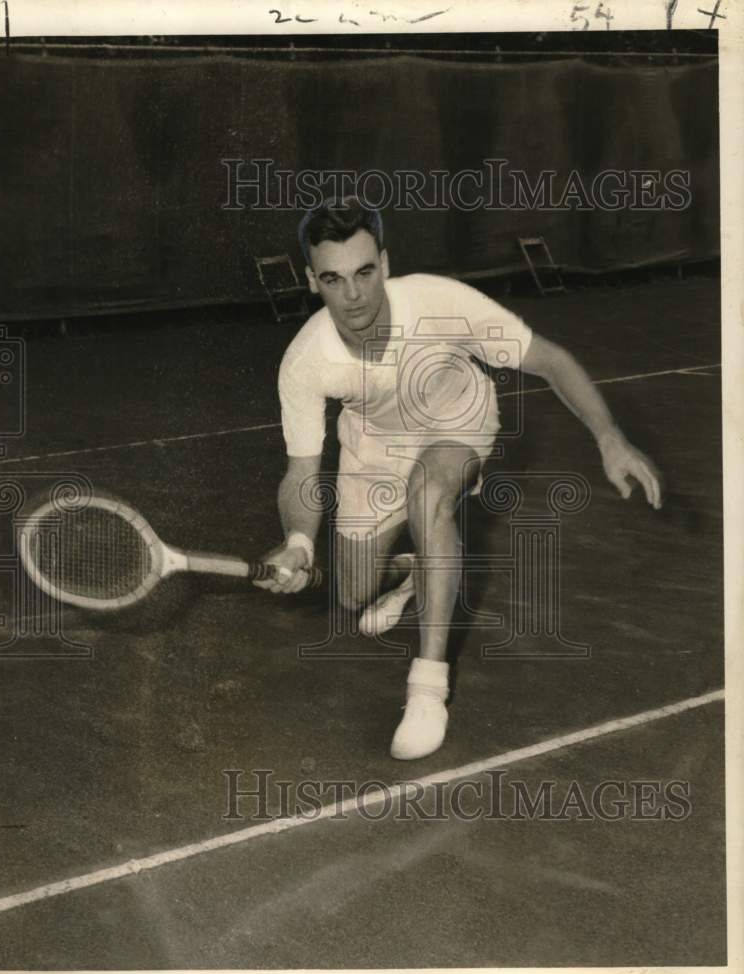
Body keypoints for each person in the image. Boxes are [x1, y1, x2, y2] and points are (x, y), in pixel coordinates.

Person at [255, 197, 662, 760]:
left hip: (457, 420)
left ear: (386, 264)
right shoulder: (306, 360)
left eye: (365, 272)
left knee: (430, 494)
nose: (354, 295)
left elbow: (549, 360)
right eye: (334, 278)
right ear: (311, 280)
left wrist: (609, 437)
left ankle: (427, 686)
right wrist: (299, 542)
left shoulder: (439, 302)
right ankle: (421, 568)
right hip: (372, 446)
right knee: (352, 595)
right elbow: (302, 471)